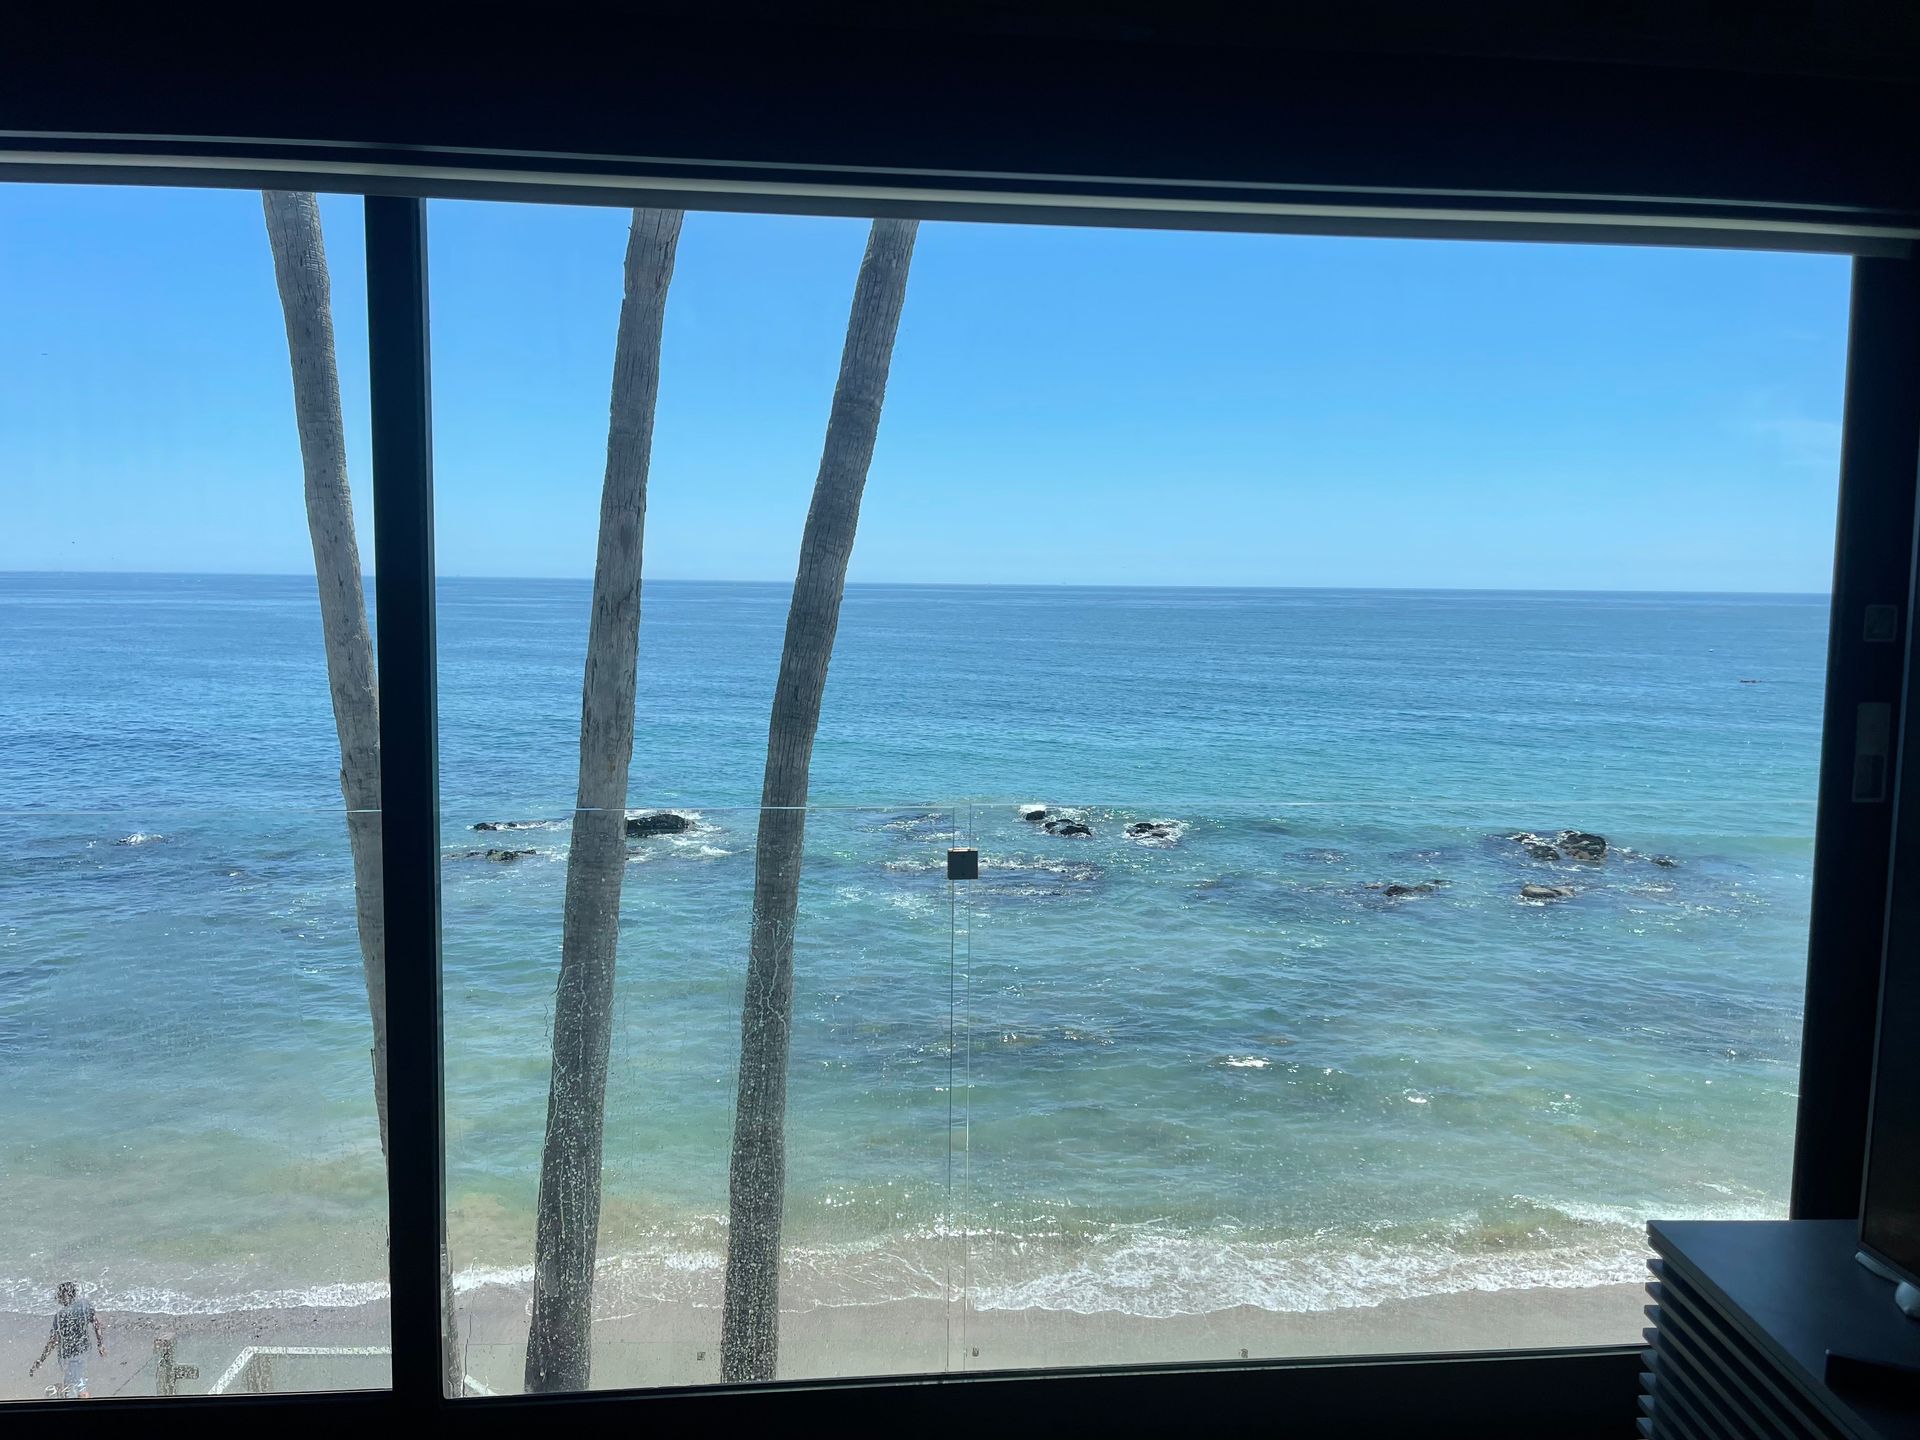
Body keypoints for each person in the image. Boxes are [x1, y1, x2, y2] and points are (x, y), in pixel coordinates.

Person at [29, 1283, 105, 1399]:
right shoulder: (84, 1306)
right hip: (85, 1352)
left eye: (59, 1295)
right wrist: (100, 1344)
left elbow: (53, 1341)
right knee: (76, 1384)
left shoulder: (60, 1316)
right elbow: (96, 1324)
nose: (57, 1297)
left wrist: (41, 1359)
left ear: (64, 1295)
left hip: (70, 1357)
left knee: (78, 1389)